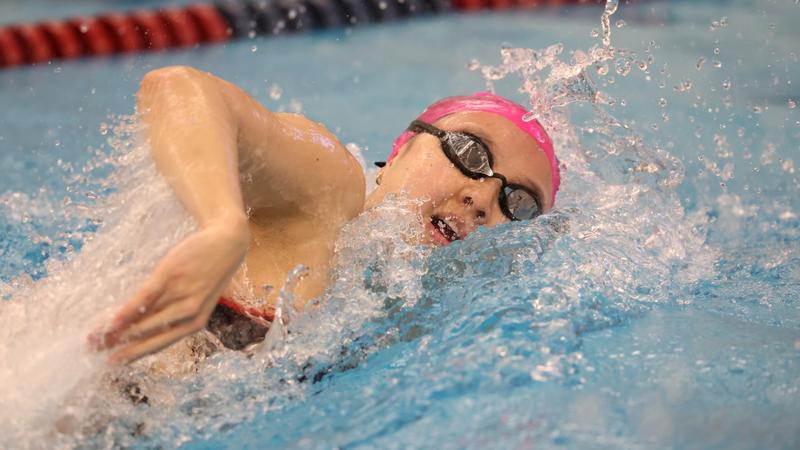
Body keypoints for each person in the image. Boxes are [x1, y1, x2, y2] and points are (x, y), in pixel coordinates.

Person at [89, 65, 560, 365]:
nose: (482, 197)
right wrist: (222, 223)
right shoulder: (328, 193)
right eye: (470, 151)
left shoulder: (423, 320)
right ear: (399, 151)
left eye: (518, 202)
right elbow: (178, 88)